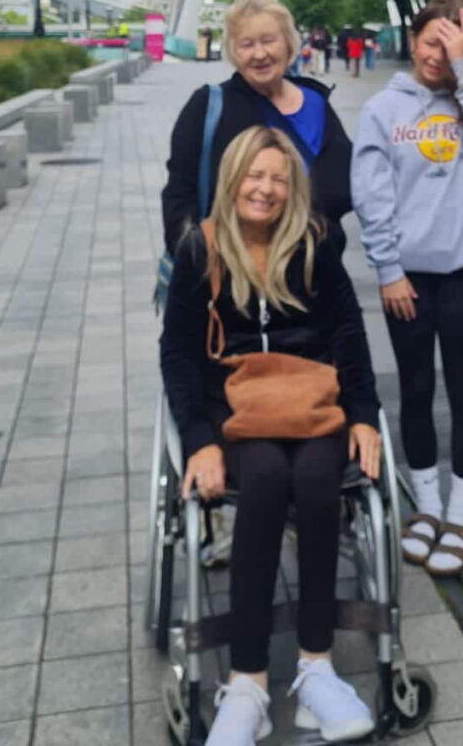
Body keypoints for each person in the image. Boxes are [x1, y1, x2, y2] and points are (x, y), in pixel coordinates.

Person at [161, 126, 380, 745]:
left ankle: (316, 669)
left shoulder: (315, 244)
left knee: (315, 480)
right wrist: (199, 440)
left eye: (279, 179)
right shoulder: (201, 250)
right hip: (234, 406)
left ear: (293, 188)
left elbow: (349, 333)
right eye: (255, 176)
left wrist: (364, 414)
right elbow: (178, 354)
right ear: (233, 180)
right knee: (261, 479)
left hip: (312, 401)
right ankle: (248, 684)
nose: (266, 189)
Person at [351, 0, 463, 574]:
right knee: (416, 389)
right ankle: (426, 506)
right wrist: (388, 270)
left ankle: (461, 514)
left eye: (450, 46)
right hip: (408, 281)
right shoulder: (381, 110)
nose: (436, 56)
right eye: (429, 42)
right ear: (413, 38)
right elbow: (371, 195)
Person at [162, 0, 353, 256]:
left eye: (268, 41)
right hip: (232, 267)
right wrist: (193, 257)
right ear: (233, 51)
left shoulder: (316, 103)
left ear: (288, 43)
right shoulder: (208, 106)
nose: (259, 54)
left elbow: (345, 184)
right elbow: (180, 193)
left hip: (313, 265)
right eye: (247, 44)